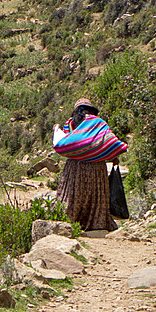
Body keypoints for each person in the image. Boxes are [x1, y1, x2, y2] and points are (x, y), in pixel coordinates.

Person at [51, 98, 127, 231]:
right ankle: (96, 223)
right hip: (96, 168)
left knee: (74, 195)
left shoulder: (70, 125)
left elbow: (64, 142)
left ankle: (70, 222)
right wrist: (112, 155)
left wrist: (56, 130)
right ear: (92, 110)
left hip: (75, 168)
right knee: (95, 196)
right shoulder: (99, 123)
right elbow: (108, 141)